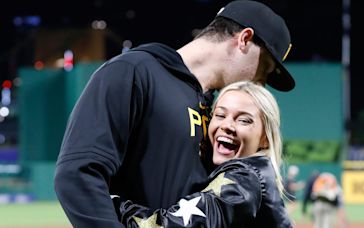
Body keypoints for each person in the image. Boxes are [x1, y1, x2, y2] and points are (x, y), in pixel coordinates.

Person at [54, 1, 295, 227]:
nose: (260, 83)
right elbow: (78, 175)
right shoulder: (134, 72)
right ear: (244, 39)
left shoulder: (213, 111)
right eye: (264, 69)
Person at [116, 81, 293, 227]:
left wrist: (112, 203)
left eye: (244, 120)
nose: (227, 126)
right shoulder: (255, 174)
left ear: (265, 140)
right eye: (220, 115)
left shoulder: (245, 178)